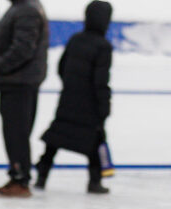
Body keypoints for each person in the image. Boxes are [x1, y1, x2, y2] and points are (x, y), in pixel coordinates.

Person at [34, 1, 113, 194]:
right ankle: (95, 181)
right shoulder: (103, 46)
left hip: (69, 99)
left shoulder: (76, 39)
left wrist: (71, 86)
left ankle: (42, 176)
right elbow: (100, 80)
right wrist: (104, 105)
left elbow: (62, 67)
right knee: (94, 141)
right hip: (90, 104)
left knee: (56, 138)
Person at [0, 0, 48, 198]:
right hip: (18, 81)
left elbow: (23, 48)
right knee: (16, 133)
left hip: (18, 82)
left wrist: (0, 66)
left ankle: (20, 179)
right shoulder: (24, 8)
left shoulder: (27, 10)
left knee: (16, 133)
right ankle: (18, 175)